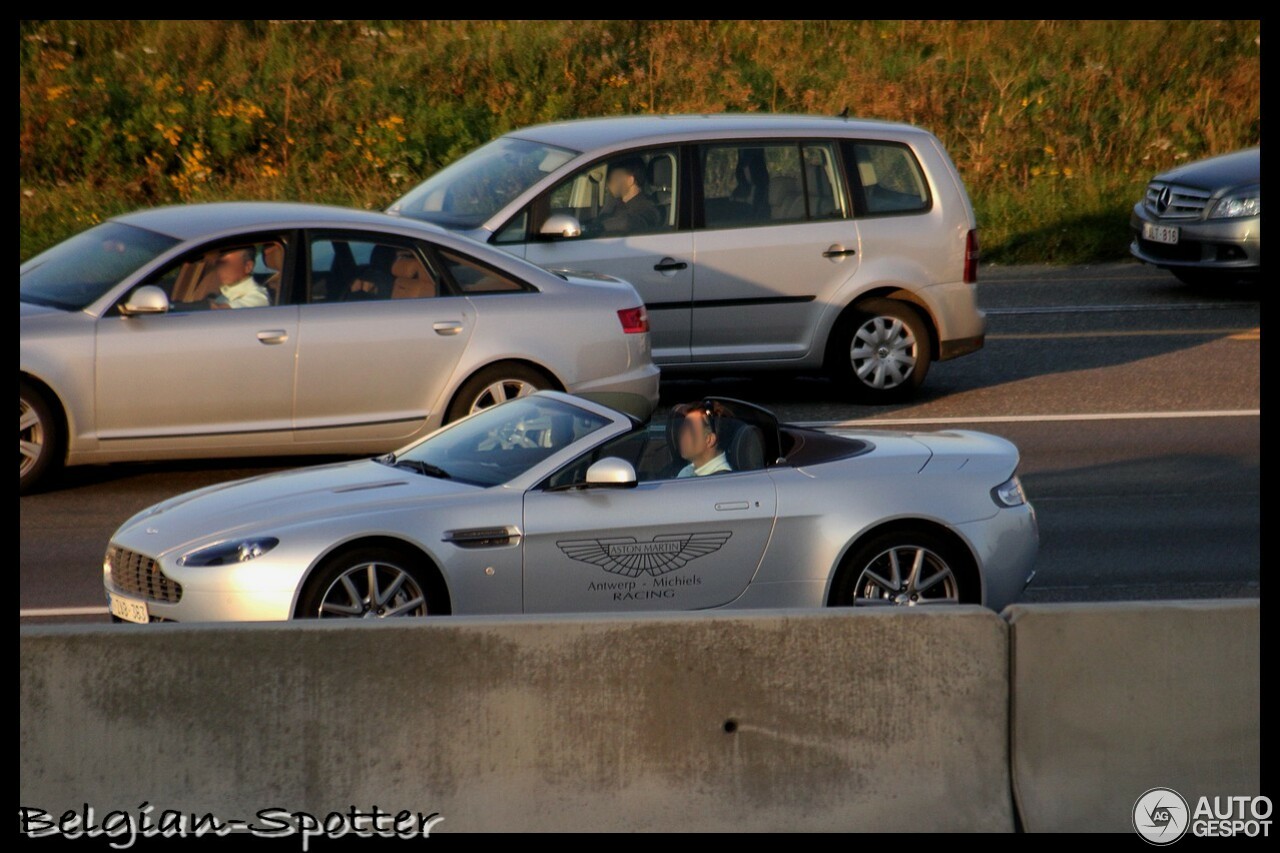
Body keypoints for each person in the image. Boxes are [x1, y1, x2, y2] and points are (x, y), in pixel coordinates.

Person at [598, 158, 662, 234]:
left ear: (630, 180)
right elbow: (601, 218)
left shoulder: (649, 208)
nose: (610, 182)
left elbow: (627, 223)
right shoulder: (616, 203)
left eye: (616, 177)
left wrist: (600, 226)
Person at [674, 402, 732, 477]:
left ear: (709, 440)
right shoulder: (687, 471)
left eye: (689, 430)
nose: (681, 434)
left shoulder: (722, 480)